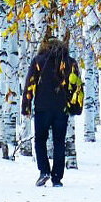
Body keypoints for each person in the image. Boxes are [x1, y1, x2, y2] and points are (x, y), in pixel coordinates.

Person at [21, 34, 83, 188]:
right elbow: (77, 88)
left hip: (42, 108)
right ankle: (57, 178)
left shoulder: (38, 61)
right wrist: (75, 107)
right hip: (61, 109)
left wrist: (26, 106)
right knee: (59, 142)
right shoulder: (70, 62)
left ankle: (44, 171)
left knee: (40, 140)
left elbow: (30, 84)